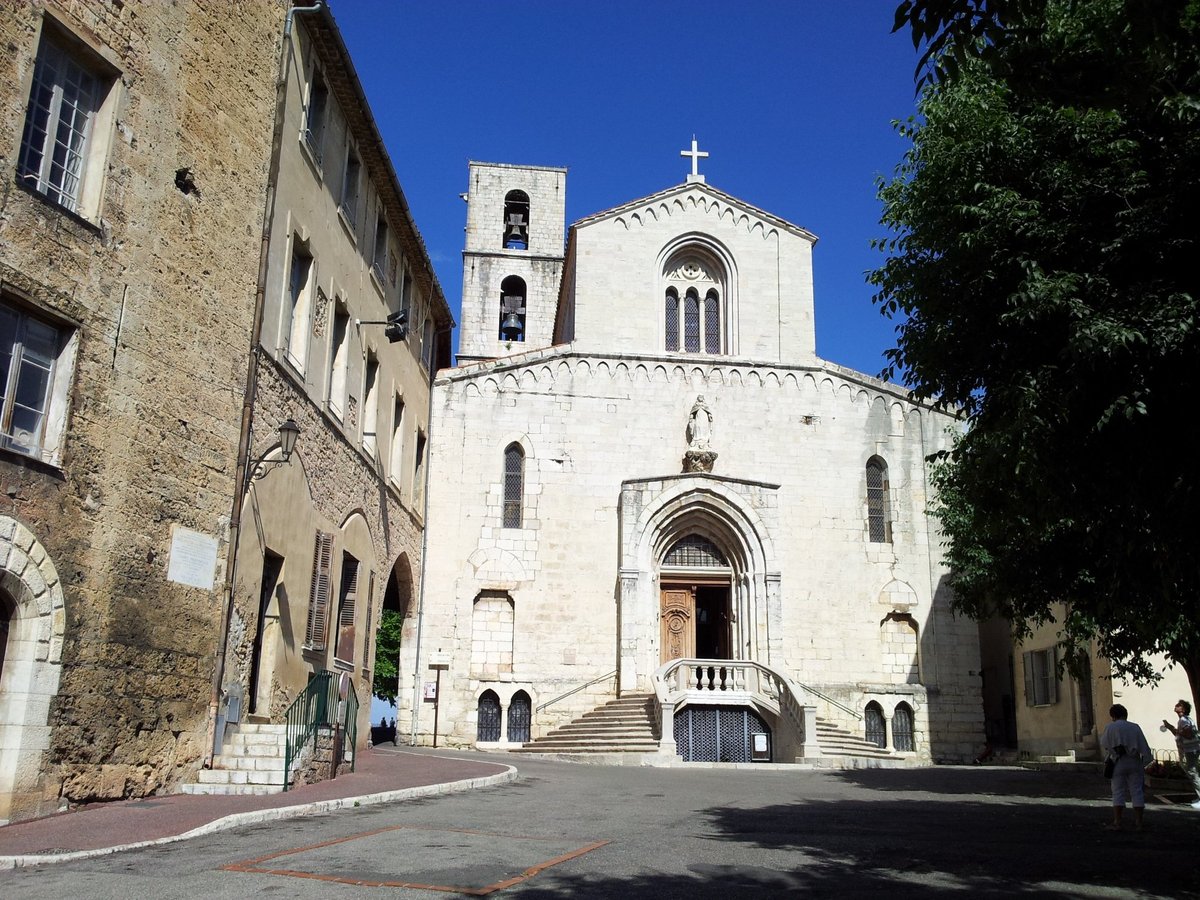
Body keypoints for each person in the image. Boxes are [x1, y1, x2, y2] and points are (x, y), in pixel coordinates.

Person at [1100, 704, 1153, 831]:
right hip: (1134, 760)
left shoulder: (1110, 727)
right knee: (1137, 791)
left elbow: (1104, 743)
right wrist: (1144, 763)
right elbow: (1144, 748)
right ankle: (1139, 822)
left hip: (1117, 761)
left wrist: (1112, 754)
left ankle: (1117, 821)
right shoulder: (1134, 727)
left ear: (1112, 716)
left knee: (1118, 791)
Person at [1162, 698, 1200, 809]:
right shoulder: (1185, 720)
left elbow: (1187, 734)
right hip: (1190, 749)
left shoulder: (1184, 720)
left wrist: (1176, 730)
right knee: (1192, 772)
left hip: (1190, 750)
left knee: (1193, 773)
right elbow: (1180, 734)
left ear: (1182, 709)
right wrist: (1169, 727)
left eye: (1178, 705)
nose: (1176, 706)